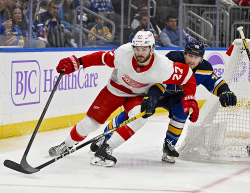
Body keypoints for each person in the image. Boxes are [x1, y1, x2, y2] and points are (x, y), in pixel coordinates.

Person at [48, 31, 199, 167]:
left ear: (152, 49)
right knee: (90, 124)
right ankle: (66, 145)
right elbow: (100, 58)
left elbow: (187, 77)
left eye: (144, 49)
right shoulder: (123, 53)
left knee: (141, 115)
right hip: (115, 90)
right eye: (137, 48)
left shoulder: (163, 67)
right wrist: (77, 63)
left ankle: (106, 148)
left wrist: (190, 98)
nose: (140, 53)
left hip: (138, 96)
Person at [90, 39, 237, 164]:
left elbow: (216, 82)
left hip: (175, 98)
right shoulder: (172, 59)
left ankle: (169, 145)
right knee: (136, 113)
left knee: (183, 109)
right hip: (155, 92)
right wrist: (152, 97)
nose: (192, 60)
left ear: (202, 59)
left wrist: (225, 92)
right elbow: (158, 81)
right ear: (184, 53)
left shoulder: (205, 69)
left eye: (196, 57)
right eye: (190, 55)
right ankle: (105, 136)